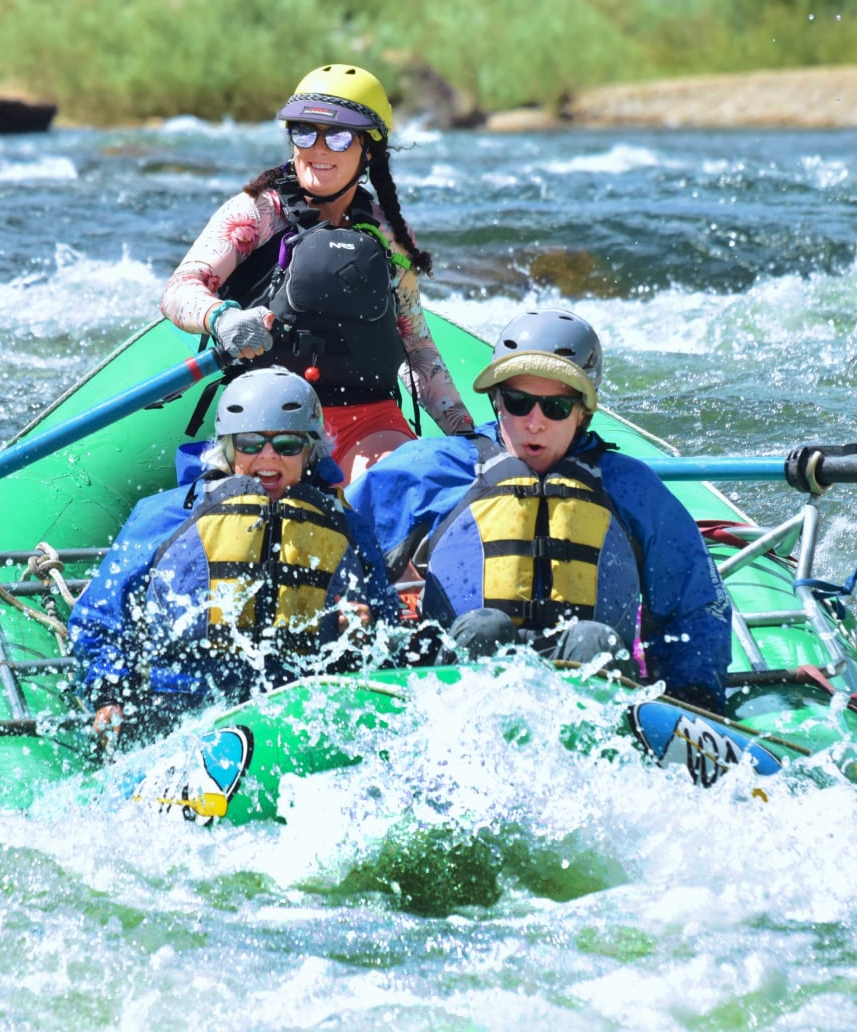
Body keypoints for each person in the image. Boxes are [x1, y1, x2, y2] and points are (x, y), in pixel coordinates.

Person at [345, 308, 733, 714]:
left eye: (555, 408)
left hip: (588, 685)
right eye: (518, 402)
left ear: (583, 411)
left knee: (594, 640)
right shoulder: (435, 467)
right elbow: (341, 552)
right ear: (497, 400)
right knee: (484, 629)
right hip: (461, 691)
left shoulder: (631, 488)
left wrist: (697, 702)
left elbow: (694, 604)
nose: (534, 423)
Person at [160, 62, 473, 483]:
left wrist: (465, 432)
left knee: (401, 486)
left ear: (369, 149)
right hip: (267, 415)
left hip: (367, 418)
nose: (318, 148)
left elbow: (416, 343)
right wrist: (224, 318)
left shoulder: (386, 234)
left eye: (339, 136)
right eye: (303, 131)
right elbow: (181, 289)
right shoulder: (256, 212)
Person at [69, 366, 402, 748]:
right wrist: (109, 694)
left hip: (299, 711)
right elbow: (100, 617)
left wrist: (369, 628)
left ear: (311, 450)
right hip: (180, 711)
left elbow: (387, 620)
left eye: (287, 445)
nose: (268, 456)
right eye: (249, 442)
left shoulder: (346, 526)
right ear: (228, 448)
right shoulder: (166, 515)